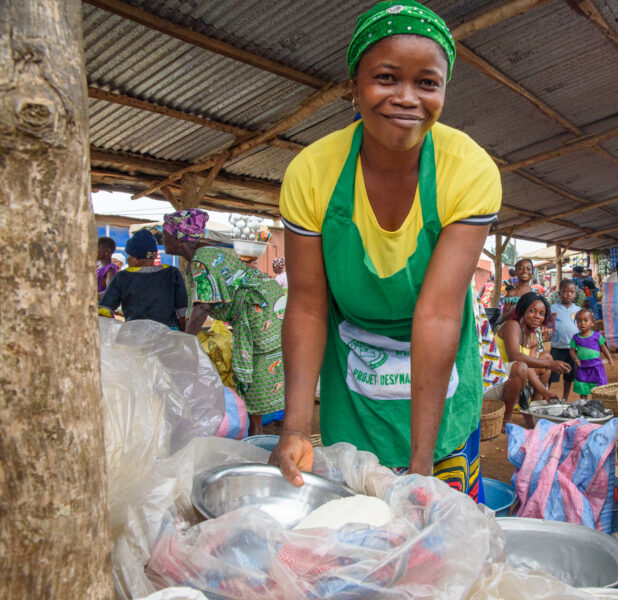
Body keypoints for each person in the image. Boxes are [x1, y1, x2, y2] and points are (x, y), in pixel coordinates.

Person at [272, 1, 501, 501]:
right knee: (355, 531)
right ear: (355, 85)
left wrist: (422, 467)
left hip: (438, 386)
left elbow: (439, 314)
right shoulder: (313, 173)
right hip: (353, 390)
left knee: (433, 539)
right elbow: (308, 306)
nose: (406, 98)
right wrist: (293, 426)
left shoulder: (468, 170)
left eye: (427, 83)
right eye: (386, 77)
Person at [162, 208, 287, 436]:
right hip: (268, 304)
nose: (162, 238)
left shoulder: (201, 261)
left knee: (257, 368)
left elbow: (203, 306)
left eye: (165, 232)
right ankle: (258, 430)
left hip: (259, 310)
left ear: (179, 237)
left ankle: (261, 434)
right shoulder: (205, 253)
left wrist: (185, 341)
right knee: (258, 368)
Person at [494, 293, 570, 423]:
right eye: (532, 311)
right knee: (524, 365)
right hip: (496, 379)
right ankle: (506, 419)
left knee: (546, 357)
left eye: (541, 314)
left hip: (516, 376)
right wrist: (549, 365)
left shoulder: (533, 338)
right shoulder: (512, 325)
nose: (536, 316)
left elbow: (529, 368)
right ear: (522, 310)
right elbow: (514, 356)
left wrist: (545, 391)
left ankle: (534, 406)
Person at [98, 229, 188, 331]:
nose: (127, 259)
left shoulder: (123, 277)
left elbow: (105, 309)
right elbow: (183, 312)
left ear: (135, 258)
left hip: (135, 335)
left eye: (128, 255)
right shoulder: (172, 273)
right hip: (168, 334)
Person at [570, 308, 613, 399]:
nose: (582, 323)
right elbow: (572, 350)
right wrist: (575, 358)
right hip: (582, 368)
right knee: (583, 389)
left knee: (598, 390)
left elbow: (604, 348)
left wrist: (610, 359)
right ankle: (583, 406)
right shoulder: (576, 337)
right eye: (579, 321)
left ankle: (596, 406)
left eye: (586, 320)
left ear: (592, 323)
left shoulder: (597, 336)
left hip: (596, 367)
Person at [549, 279, 580, 401]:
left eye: (571, 292)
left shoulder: (577, 310)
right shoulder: (552, 308)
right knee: (551, 374)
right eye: (565, 291)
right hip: (557, 347)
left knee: (569, 376)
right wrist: (549, 320)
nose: (568, 294)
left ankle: (565, 398)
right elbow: (547, 324)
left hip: (573, 349)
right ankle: (546, 395)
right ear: (559, 293)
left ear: (575, 294)